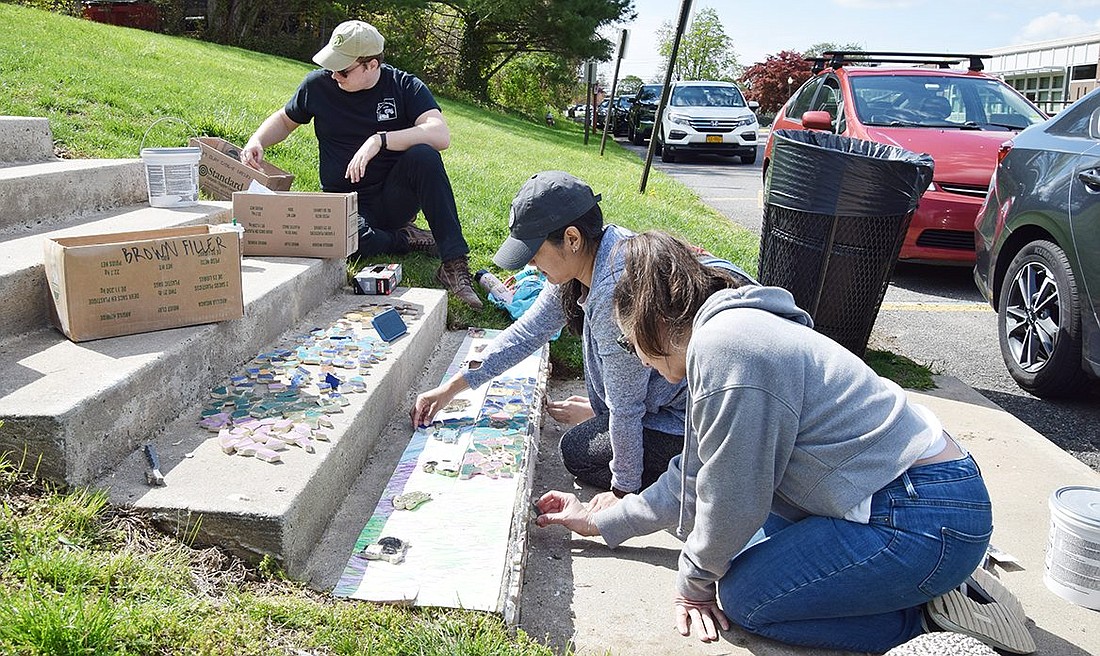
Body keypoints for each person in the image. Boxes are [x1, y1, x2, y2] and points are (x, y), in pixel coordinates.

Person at [535, 230, 994, 653]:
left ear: (652, 321)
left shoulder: (727, 352)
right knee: (733, 550)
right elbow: (692, 479)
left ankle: (922, 625)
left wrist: (693, 583)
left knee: (746, 599)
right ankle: (914, 584)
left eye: (627, 339)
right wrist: (602, 522)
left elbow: (732, 499)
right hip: (918, 498)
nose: (634, 355)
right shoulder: (725, 335)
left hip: (923, 516)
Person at [411, 171, 752, 497]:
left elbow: (627, 409)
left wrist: (622, 494)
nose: (531, 265)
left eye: (534, 253)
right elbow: (528, 332)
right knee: (598, 424)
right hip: (667, 400)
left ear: (571, 239)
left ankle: (692, 476)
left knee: (578, 451)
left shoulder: (615, 294)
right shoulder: (596, 251)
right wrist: (450, 389)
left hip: (697, 423)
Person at [240, 20, 482, 309]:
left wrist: (380, 140)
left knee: (425, 156)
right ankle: (405, 239)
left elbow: (439, 134)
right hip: (346, 203)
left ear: (372, 65)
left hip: (394, 197)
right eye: (331, 66)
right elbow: (284, 119)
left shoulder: (404, 86)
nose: (334, 75)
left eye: (342, 70)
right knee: (348, 245)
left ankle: (453, 263)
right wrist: (258, 140)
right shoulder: (317, 86)